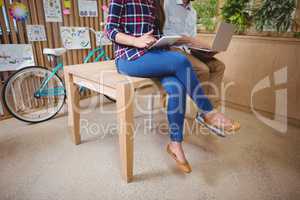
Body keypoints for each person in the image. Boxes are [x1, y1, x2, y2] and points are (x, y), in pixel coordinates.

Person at [106, 0, 239, 173]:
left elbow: (157, 33)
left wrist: (165, 41)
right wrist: (136, 41)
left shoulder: (153, 2)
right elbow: (110, 30)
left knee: (177, 88)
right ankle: (209, 112)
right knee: (180, 61)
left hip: (155, 54)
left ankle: (175, 144)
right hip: (128, 57)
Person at [164, 0, 226, 117]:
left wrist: (206, 49)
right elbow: (164, 35)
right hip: (170, 49)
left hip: (188, 50)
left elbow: (192, 39)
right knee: (203, 69)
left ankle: (211, 109)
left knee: (219, 66)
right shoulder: (167, 4)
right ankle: (204, 111)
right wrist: (189, 40)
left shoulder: (193, 12)